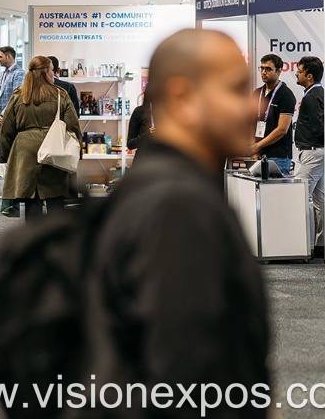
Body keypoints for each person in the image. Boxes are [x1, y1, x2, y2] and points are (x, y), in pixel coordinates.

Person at [85, 29, 268, 402]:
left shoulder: (166, 189)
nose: (255, 108)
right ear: (183, 98)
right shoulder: (178, 207)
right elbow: (185, 373)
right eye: (235, 90)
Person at [0, 56, 82, 222]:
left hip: (25, 151)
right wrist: (77, 151)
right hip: (54, 148)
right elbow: (73, 126)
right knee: (55, 196)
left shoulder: (18, 95)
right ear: (46, 72)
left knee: (32, 198)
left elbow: (6, 129)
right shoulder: (61, 95)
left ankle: (33, 235)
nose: (53, 73)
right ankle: (56, 234)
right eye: (51, 70)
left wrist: (7, 155)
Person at [294, 55, 325, 253]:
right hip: (317, 152)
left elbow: (319, 124)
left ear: (309, 76)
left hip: (312, 152)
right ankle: (321, 246)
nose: (296, 74)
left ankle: (302, 246)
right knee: (320, 200)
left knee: (299, 196)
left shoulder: (312, 97)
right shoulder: (317, 93)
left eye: (299, 71)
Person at [0, 46, 24, 217]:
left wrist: (4, 115)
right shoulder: (1, 74)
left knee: (13, 163)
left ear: (8, 56)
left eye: (0, 56)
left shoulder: (19, 74)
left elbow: (15, 97)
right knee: (6, 161)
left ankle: (13, 202)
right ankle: (9, 201)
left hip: (11, 123)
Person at [253, 53, 296, 175]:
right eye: (262, 68)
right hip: (259, 154)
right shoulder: (257, 93)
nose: (263, 72)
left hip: (278, 156)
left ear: (279, 71)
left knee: (276, 188)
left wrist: (257, 146)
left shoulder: (286, 95)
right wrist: (255, 149)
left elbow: (282, 129)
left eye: (268, 69)